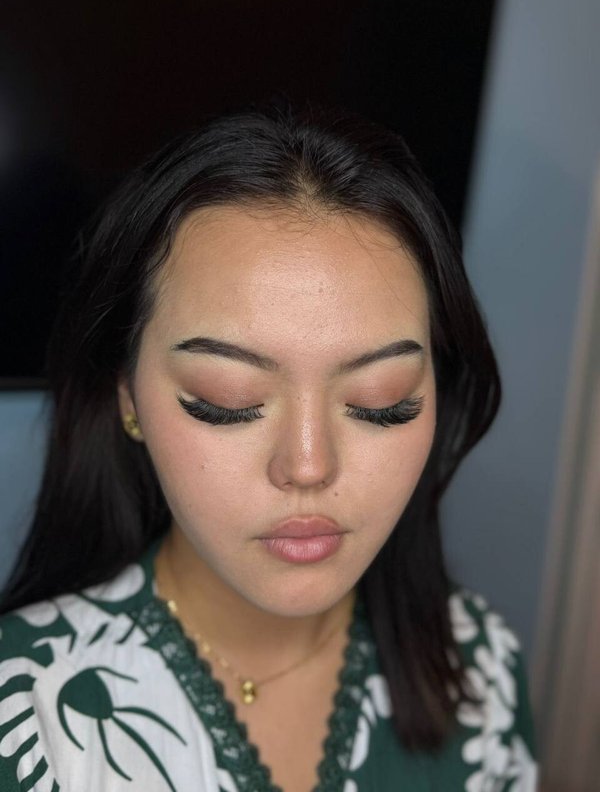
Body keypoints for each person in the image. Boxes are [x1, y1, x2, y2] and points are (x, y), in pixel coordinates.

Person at [0, 104, 537, 792]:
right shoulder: (27, 711)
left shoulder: (481, 666)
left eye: (381, 399)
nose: (308, 466)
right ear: (127, 396)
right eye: (228, 400)